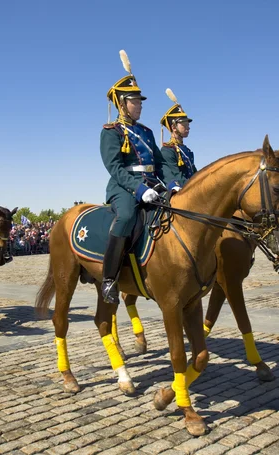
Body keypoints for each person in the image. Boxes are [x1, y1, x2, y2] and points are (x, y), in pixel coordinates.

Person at [100, 50, 163, 305]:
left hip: (150, 184)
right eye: (135, 101)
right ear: (122, 103)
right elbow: (114, 167)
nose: (140, 105)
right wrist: (138, 190)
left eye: (140, 101)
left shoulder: (146, 132)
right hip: (122, 187)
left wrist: (169, 184)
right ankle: (109, 278)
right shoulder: (110, 132)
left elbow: (159, 163)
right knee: (126, 216)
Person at [158, 89, 197, 192]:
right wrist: (197, 186)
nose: (188, 127)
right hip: (181, 191)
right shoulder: (167, 150)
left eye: (188, 125)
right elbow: (176, 176)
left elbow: (195, 173)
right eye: (184, 124)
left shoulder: (186, 149)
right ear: (174, 127)